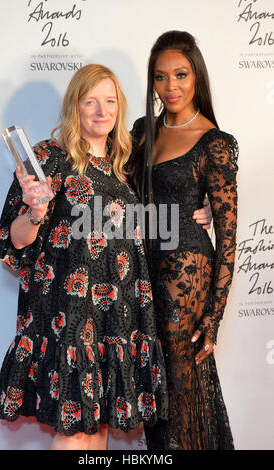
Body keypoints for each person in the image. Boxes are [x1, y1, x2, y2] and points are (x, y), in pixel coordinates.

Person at [0, 64, 172, 450]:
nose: (101, 110)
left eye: (109, 101)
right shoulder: (51, 157)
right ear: (75, 106)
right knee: (74, 433)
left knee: (98, 431)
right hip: (71, 318)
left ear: (119, 108)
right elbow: (13, 242)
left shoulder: (122, 169)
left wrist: (197, 214)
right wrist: (35, 211)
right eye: (90, 101)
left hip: (117, 317)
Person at [127, 31, 238, 450]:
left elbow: (228, 240)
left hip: (185, 275)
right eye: (160, 77)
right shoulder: (143, 131)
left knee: (178, 382)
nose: (170, 87)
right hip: (142, 268)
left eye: (180, 74)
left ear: (197, 77)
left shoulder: (215, 143)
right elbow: (121, 192)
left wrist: (213, 318)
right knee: (156, 385)